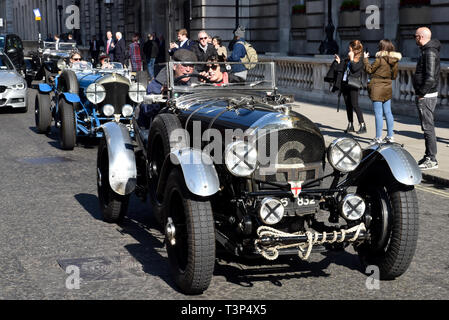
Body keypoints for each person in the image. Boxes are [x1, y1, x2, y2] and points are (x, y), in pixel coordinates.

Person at [137, 49, 197, 128]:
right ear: (174, 66)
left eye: (191, 66)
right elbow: (146, 109)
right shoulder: (158, 83)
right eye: (184, 65)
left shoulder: (196, 79)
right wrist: (162, 98)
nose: (188, 69)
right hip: (164, 128)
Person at [363, 39, 402, 145]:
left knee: (378, 113)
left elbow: (369, 70)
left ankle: (378, 137)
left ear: (381, 47)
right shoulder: (394, 61)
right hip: (387, 87)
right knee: (388, 112)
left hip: (377, 88)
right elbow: (394, 76)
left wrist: (365, 59)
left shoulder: (379, 59)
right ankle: (390, 136)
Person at [413, 27, 441, 170]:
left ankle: (432, 159)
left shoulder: (429, 52)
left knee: (428, 127)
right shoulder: (428, 50)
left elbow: (430, 78)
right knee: (427, 127)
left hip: (426, 95)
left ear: (420, 37)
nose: (414, 39)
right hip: (427, 94)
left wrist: (421, 93)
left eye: (415, 36)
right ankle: (428, 155)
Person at [334, 40, 367, 134]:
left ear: (354, 49)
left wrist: (352, 59)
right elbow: (344, 68)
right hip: (345, 83)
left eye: (350, 48)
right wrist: (339, 61)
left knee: (355, 104)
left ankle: (362, 125)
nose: (349, 49)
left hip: (353, 84)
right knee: (348, 105)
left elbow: (355, 69)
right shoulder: (348, 58)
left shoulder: (361, 59)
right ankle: (350, 124)